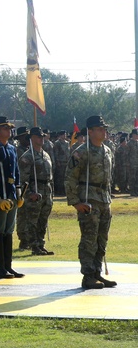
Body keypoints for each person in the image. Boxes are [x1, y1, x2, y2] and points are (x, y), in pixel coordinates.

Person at [66, 115, 115, 289]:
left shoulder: (107, 151)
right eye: (100, 129)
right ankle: (87, 276)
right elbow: (70, 177)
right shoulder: (81, 152)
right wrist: (75, 202)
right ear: (90, 131)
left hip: (104, 200)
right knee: (89, 239)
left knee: (102, 239)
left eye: (104, 129)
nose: (104, 131)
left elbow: (109, 178)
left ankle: (97, 273)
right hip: (89, 199)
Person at [0, 116, 24, 279]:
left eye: (9, 128)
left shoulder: (11, 148)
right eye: (5, 128)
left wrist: (18, 192)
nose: (9, 131)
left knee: (8, 230)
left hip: (10, 192)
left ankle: (8, 265)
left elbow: (16, 172)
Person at [19, 127, 55, 257]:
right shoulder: (27, 157)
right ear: (32, 138)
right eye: (38, 136)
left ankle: (41, 244)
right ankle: (34, 246)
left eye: (42, 136)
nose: (41, 138)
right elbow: (23, 179)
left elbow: (50, 175)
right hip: (35, 191)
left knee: (43, 220)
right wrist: (29, 193)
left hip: (46, 191)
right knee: (32, 220)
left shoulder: (45, 154)